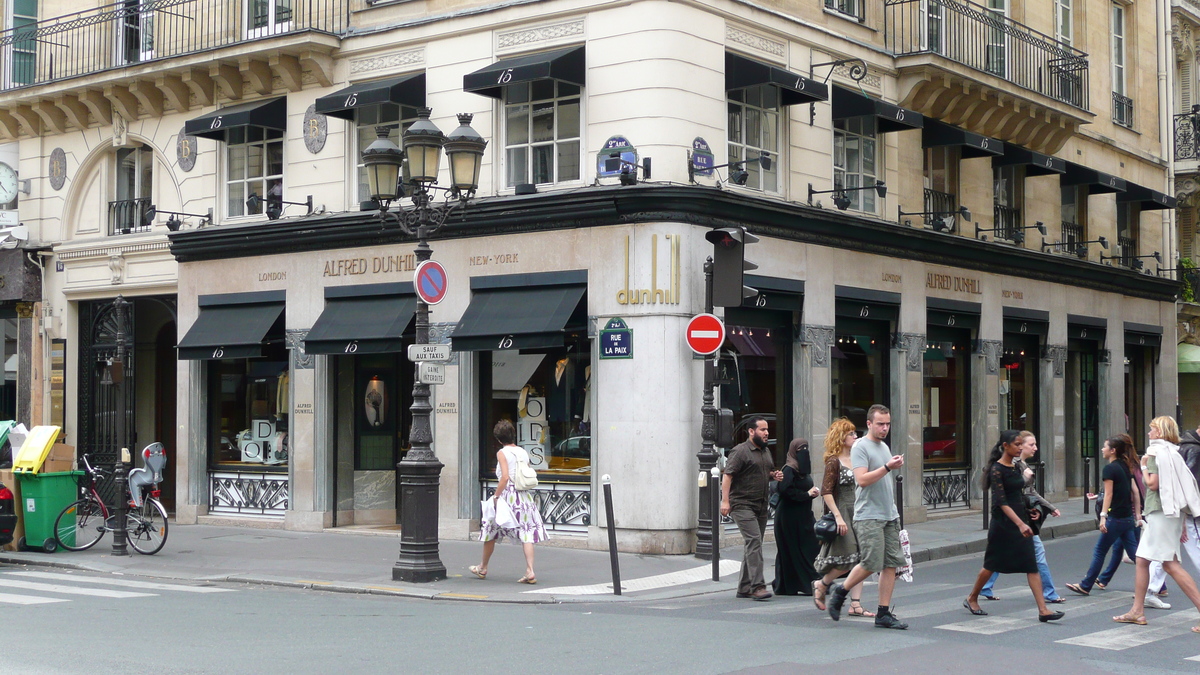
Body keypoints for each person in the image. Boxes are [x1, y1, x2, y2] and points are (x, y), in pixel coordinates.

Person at [964, 430, 1064, 622]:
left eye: (1021, 444)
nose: (1020, 448)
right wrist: (1019, 523)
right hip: (1003, 524)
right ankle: (972, 597)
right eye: (1017, 445)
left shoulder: (1015, 467)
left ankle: (1043, 610)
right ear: (1005, 446)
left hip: (1021, 521)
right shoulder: (996, 469)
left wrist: (1029, 512)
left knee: (1031, 564)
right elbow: (1001, 502)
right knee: (991, 565)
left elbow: (1019, 495)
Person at [1113, 416, 1200, 630]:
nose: (1149, 433)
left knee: (1170, 564)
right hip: (1170, 513)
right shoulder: (1173, 452)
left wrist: (1142, 466)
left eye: (1152, 430)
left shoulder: (1155, 452)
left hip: (1159, 513)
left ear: (1160, 432)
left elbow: (1152, 484)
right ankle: (1137, 611)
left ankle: (1138, 611)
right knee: (1143, 560)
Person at [827, 404, 908, 629]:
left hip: (889, 514)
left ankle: (883, 613)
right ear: (869, 424)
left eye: (888, 424)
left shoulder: (883, 446)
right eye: (880, 424)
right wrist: (888, 467)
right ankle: (840, 591)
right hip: (869, 515)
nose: (885, 428)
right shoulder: (860, 447)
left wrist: (889, 465)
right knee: (871, 562)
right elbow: (861, 479)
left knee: (891, 563)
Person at [470, 419, 548, 584]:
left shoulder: (501, 453)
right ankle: (530, 570)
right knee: (526, 534)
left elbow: (505, 477)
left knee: (491, 530)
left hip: (508, 497)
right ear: (513, 435)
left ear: (498, 439)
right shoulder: (522, 452)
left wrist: (497, 496)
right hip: (524, 497)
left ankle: (483, 567)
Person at [1064, 434, 1141, 597]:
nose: (1102, 449)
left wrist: (1103, 516)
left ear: (1113, 450)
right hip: (1127, 518)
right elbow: (1135, 492)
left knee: (1100, 550)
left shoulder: (1110, 469)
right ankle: (1154, 583)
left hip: (1116, 518)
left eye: (1105, 446)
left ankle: (1085, 585)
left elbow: (1108, 494)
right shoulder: (1126, 465)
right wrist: (1138, 515)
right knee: (1135, 554)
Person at [813, 418, 873, 617]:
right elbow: (826, 491)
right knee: (847, 559)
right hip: (843, 510)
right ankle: (822, 584)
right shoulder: (833, 460)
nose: (855, 437)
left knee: (863, 558)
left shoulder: (858, 457)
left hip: (860, 509)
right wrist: (838, 517)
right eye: (851, 434)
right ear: (841, 437)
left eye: (855, 433)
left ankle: (855, 604)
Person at [722, 416, 782, 601]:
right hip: (742, 504)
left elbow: (764, 473)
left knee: (753, 544)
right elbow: (728, 476)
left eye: (767, 430)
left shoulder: (765, 452)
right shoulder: (740, 451)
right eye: (762, 430)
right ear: (751, 431)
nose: (766, 433)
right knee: (754, 541)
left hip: (761, 505)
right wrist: (725, 502)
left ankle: (744, 587)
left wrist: (774, 475)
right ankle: (757, 586)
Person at [772, 438, 822, 596]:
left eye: (806, 448)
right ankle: (804, 584)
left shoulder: (802, 470)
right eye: (800, 449)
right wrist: (807, 494)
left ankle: (812, 582)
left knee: (811, 546)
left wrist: (811, 494)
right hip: (789, 518)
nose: (804, 452)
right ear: (794, 451)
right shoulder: (789, 470)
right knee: (793, 549)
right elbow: (786, 491)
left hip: (804, 516)